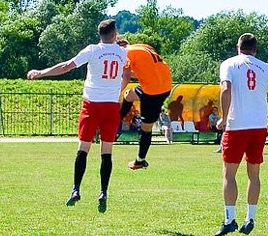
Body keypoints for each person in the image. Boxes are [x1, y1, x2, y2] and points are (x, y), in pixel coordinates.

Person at [27, 19, 127, 213]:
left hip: (91, 106)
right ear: (114, 34)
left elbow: (66, 66)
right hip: (111, 107)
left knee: (83, 148)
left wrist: (40, 73)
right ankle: (103, 192)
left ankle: (76, 189)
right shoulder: (123, 52)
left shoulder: (92, 50)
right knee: (106, 152)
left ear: (100, 34)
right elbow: (124, 58)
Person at [214, 33, 268, 236]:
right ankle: (250, 218)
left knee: (229, 174)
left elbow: (226, 89)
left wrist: (224, 117)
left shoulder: (229, 64)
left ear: (238, 47)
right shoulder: (266, 67)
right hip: (258, 127)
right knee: (253, 174)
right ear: (255, 49)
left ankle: (229, 220)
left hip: (237, 126)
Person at [116, 40, 173, 170]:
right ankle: (115, 123)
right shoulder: (141, 47)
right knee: (129, 95)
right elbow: (145, 68)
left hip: (153, 92)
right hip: (162, 83)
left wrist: (113, 92)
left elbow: (126, 77)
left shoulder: (124, 53)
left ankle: (140, 160)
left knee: (146, 128)